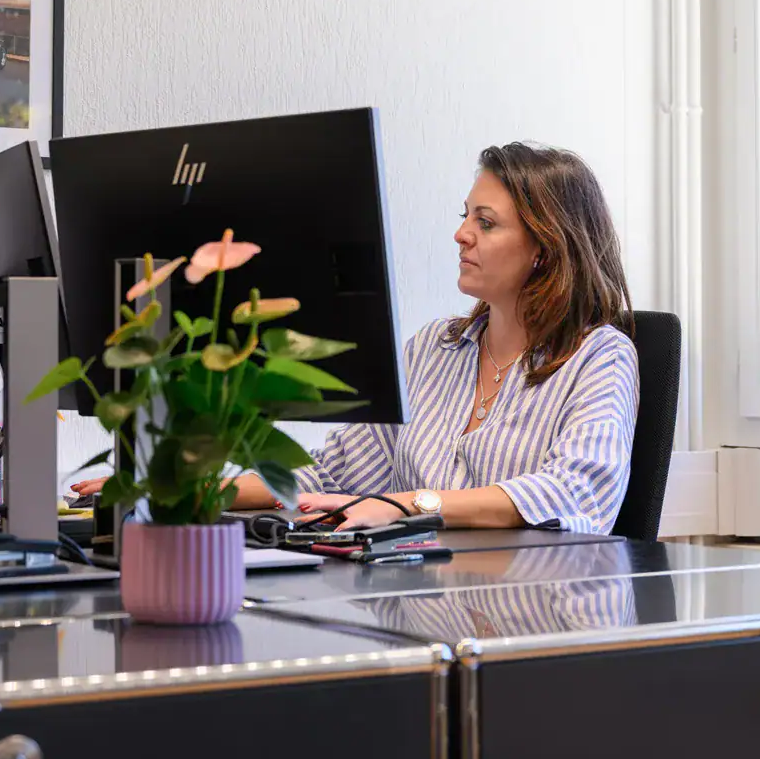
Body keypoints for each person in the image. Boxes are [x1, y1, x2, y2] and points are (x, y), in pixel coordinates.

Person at [71, 142, 639, 532]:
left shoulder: (600, 357)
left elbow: (574, 494)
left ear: (545, 248)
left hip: (537, 611)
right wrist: (177, 490)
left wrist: (406, 504)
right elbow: (334, 474)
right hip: (428, 600)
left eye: (485, 223)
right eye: (466, 215)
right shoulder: (435, 349)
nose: (460, 234)